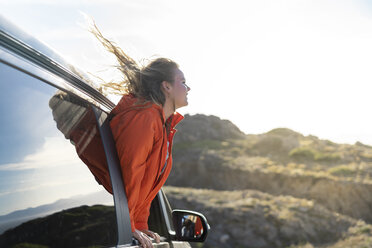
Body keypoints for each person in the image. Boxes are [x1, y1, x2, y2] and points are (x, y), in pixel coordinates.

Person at [90, 23, 191, 248]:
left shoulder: (161, 124)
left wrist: (139, 225)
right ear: (166, 86)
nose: (188, 88)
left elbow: (144, 189)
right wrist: (129, 227)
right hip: (115, 226)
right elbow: (130, 175)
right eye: (182, 82)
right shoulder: (143, 118)